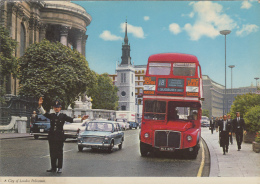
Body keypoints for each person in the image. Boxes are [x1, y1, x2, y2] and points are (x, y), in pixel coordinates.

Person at [38, 97, 88, 173]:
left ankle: (59, 167)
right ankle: (53, 167)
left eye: (58, 107)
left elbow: (72, 120)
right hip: (52, 137)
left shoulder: (63, 116)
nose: (56, 109)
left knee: (59, 152)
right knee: (52, 152)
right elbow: (44, 113)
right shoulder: (52, 115)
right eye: (55, 107)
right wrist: (40, 106)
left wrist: (81, 119)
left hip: (59, 137)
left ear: (60, 108)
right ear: (53, 108)